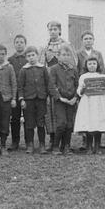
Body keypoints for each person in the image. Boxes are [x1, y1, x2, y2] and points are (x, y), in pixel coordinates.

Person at [39, 20, 78, 152]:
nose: (53, 31)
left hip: (66, 82)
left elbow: (73, 62)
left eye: (55, 29)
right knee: (51, 113)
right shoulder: (45, 47)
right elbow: (41, 66)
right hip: (52, 84)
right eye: (51, 29)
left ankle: (65, 144)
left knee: (66, 118)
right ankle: (52, 140)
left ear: (60, 30)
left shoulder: (67, 45)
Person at [74, 57, 105, 154]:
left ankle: (97, 146)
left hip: (99, 103)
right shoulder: (83, 77)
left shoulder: (102, 77)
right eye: (90, 64)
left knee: (98, 123)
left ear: (97, 65)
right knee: (89, 123)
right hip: (87, 103)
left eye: (94, 64)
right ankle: (89, 146)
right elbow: (79, 91)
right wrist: (82, 89)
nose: (92, 66)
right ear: (86, 66)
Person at [76, 31, 105, 151]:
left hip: (97, 90)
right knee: (86, 117)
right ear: (82, 41)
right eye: (85, 39)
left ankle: (98, 143)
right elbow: (78, 68)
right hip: (85, 86)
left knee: (97, 116)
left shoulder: (98, 53)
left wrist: (102, 84)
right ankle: (86, 142)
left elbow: (102, 69)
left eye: (90, 38)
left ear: (93, 40)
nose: (88, 40)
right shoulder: (78, 53)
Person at [17, 46, 50, 154]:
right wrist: (22, 99)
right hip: (28, 100)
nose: (31, 58)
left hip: (41, 99)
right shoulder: (24, 70)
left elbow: (47, 83)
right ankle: (29, 144)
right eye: (29, 56)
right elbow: (20, 86)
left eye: (33, 55)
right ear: (26, 57)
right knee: (29, 123)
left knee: (41, 123)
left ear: (37, 55)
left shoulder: (43, 68)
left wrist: (48, 96)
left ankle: (42, 144)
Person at [48, 44, 79, 155]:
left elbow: (77, 85)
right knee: (61, 123)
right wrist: (60, 98)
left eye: (67, 55)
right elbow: (52, 86)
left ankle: (66, 146)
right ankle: (55, 146)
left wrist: (75, 97)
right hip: (60, 101)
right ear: (58, 56)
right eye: (63, 55)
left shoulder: (73, 69)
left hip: (71, 101)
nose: (65, 57)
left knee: (69, 124)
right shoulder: (54, 69)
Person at [7, 34, 28, 151]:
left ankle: (28, 141)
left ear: (25, 44)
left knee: (27, 117)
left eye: (21, 42)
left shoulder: (28, 58)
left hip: (26, 92)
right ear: (14, 44)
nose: (19, 44)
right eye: (17, 42)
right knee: (14, 117)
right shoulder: (10, 60)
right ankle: (15, 142)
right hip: (14, 92)